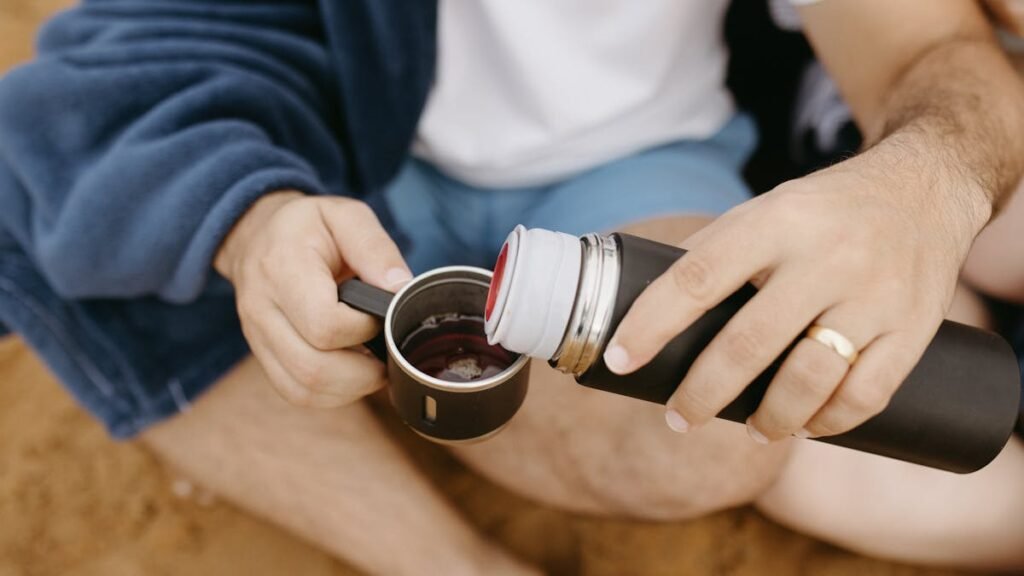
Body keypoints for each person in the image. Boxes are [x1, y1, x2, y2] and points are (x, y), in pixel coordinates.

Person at [0, 0, 1022, 573]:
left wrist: (925, 181)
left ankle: (386, 382)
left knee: (701, 445)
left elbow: (928, 49)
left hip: (629, 165)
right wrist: (246, 221)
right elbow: (115, 74)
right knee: (43, 188)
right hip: (336, 145)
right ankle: (441, 563)